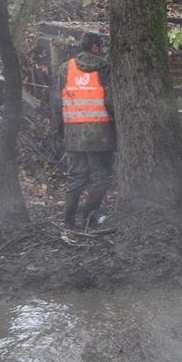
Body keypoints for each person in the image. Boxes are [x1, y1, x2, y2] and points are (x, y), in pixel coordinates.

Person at [52, 31, 115, 231]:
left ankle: (69, 222)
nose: (103, 49)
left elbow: (56, 102)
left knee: (76, 177)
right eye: (102, 45)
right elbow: (111, 102)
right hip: (101, 135)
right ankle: (89, 218)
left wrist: (61, 128)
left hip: (74, 133)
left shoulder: (66, 68)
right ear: (95, 47)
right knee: (102, 177)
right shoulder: (105, 68)